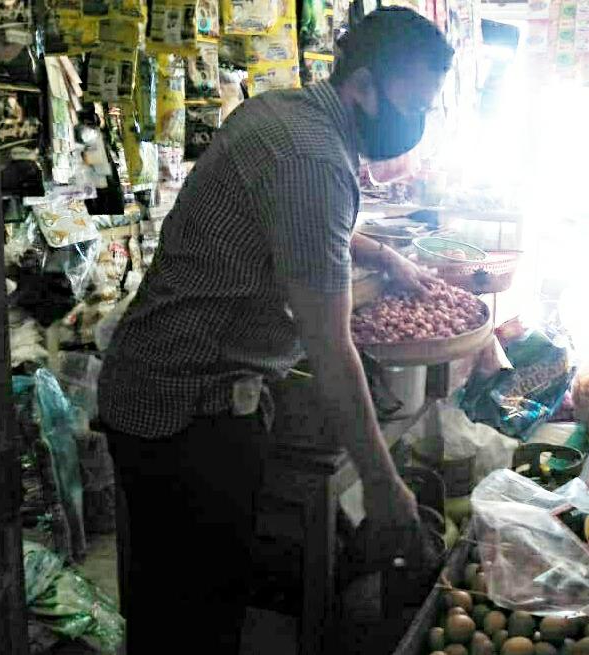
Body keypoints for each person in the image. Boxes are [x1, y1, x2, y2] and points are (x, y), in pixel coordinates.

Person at [98, 7, 454, 652]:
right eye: (415, 106)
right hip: (185, 405)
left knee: (171, 584)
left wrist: (383, 255)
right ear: (364, 86)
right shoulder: (313, 159)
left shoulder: (287, 112)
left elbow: (304, 223)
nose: (418, 123)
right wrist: (382, 484)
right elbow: (330, 345)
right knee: (195, 610)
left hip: (161, 381)